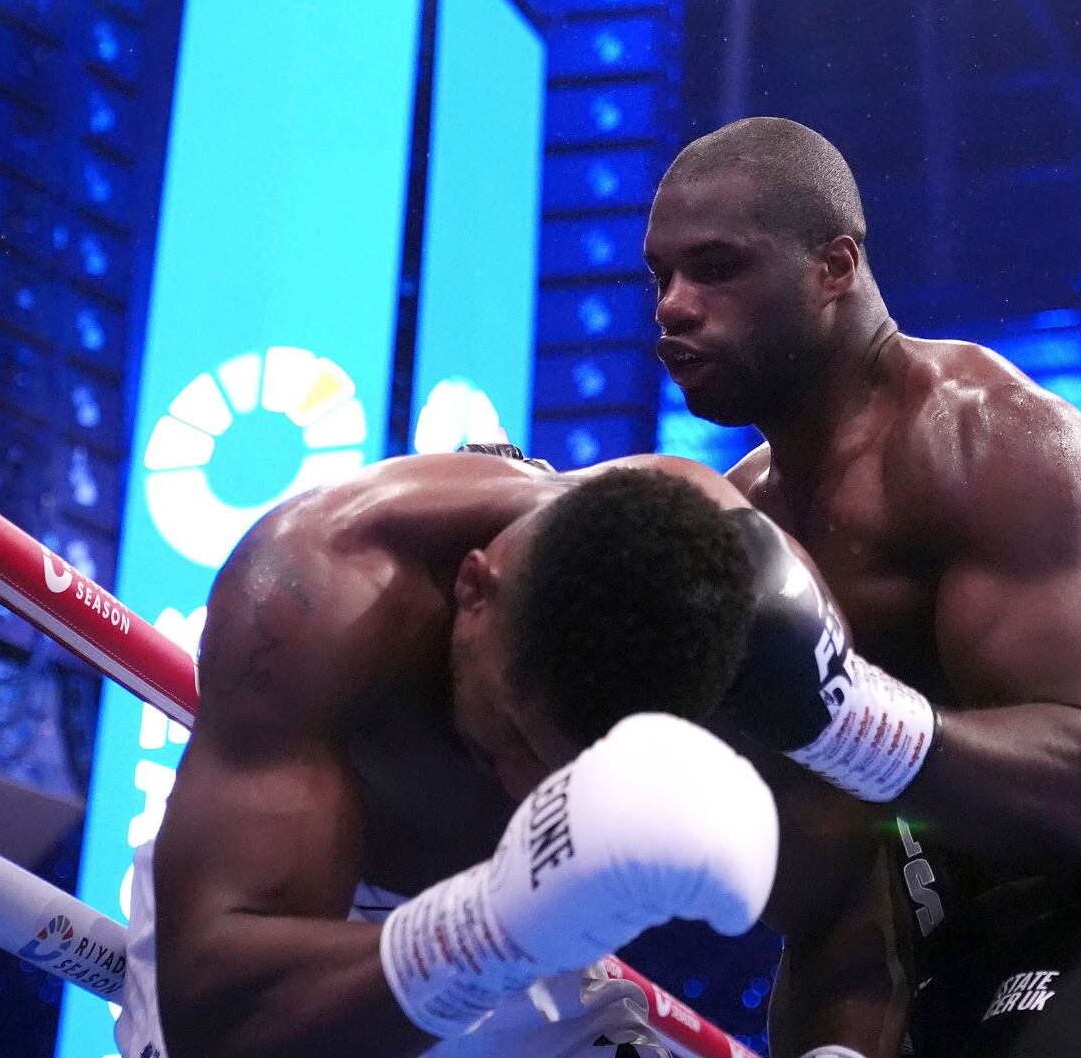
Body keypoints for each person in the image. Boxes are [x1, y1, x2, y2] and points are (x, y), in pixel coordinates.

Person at [643, 117, 1081, 1057]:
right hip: (930, 916)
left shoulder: (988, 443)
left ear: (835, 266)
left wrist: (841, 713)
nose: (674, 306)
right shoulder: (752, 518)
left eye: (715, 268)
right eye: (660, 275)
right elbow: (835, 872)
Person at [116, 447, 902, 1058]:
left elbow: (847, 908)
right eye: (519, 736)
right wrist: (497, 923)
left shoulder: (747, 642)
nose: (533, 789)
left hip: (541, 959)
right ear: (472, 589)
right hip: (301, 942)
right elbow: (217, 1016)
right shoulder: (315, 597)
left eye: (574, 769)